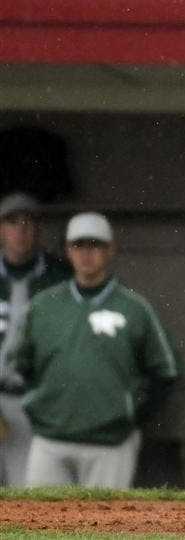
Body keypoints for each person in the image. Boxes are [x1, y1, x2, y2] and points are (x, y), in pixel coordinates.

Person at [11, 211, 182, 488]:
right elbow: (19, 364)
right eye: (79, 245)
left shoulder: (135, 307)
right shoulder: (43, 306)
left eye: (95, 244)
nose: (87, 253)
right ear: (68, 250)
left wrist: (131, 412)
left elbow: (167, 370)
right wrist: (41, 403)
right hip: (50, 440)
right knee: (41, 528)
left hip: (110, 443)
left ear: (110, 249)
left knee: (103, 528)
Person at [0, 192, 71, 487]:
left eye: (29, 222)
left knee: (30, 492)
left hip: (36, 399)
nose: (21, 230)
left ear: (39, 229)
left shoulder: (61, 276)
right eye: (12, 222)